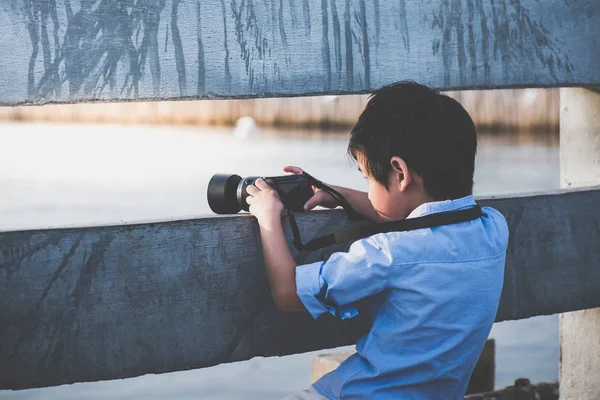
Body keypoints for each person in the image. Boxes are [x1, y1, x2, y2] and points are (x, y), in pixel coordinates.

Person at [245, 81, 508, 399]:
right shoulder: (494, 228)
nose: (367, 187)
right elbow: (416, 217)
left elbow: (288, 293)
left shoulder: (388, 254)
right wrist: (337, 193)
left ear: (399, 172)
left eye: (367, 178)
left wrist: (267, 215)